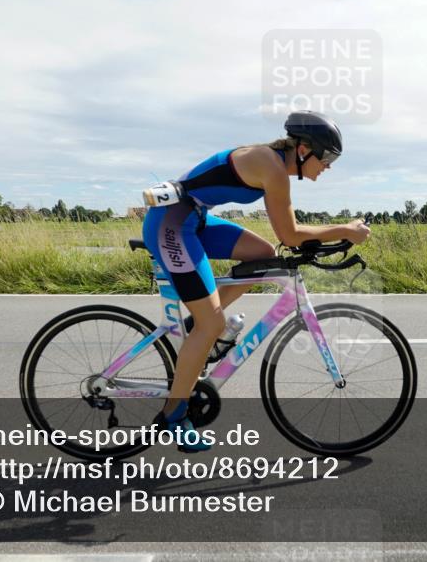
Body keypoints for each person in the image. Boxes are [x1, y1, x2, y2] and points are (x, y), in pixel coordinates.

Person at [142, 110, 371, 451]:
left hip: (193, 217)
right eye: (328, 157)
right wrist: (344, 230)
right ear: (305, 149)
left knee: (261, 255)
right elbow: (290, 234)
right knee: (212, 324)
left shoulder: (273, 161)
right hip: (172, 224)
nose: (329, 165)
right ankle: (174, 417)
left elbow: (283, 238)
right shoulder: (273, 168)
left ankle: (200, 325)